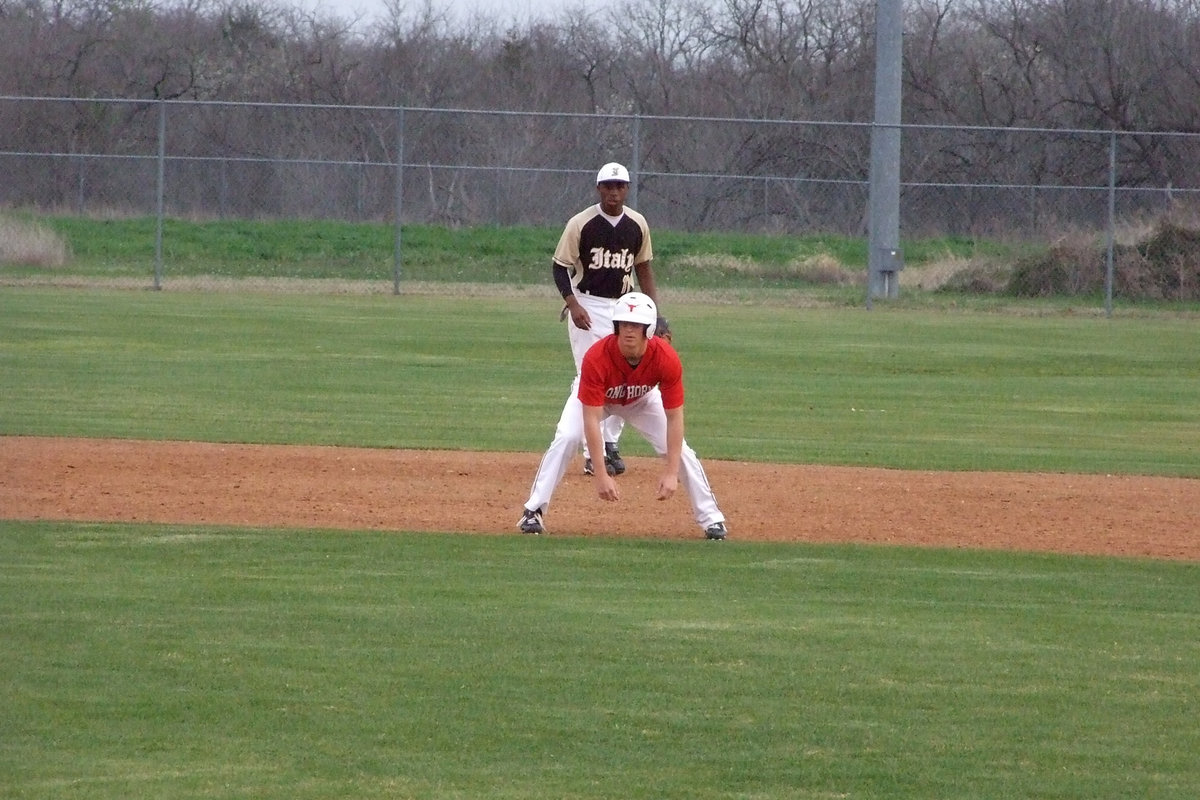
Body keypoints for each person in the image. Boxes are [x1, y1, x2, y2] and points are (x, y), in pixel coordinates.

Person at [518, 292, 728, 541]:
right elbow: (591, 420)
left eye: (636, 325)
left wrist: (671, 472)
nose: (629, 331)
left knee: (680, 451)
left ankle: (711, 518)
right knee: (567, 436)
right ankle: (533, 510)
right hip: (598, 399)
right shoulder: (597, 357)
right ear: (616, 327)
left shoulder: (666, 358)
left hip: (641, 400)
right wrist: (601, 473)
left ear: (648, 330)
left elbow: (674, 418)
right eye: (624, 324)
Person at [552, 162, 661, 477]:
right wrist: (572, 304)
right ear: (598, 188)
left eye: (620, 186)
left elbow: (643, 268)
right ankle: (593, 454)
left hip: (625, 307)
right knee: (594, 377)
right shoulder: (581, 223)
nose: (614, 192)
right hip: (587, 303)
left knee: (624, 376)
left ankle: (609, 443)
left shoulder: (637, 224)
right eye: (608, 186)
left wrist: (655, 312)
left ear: (627, 189)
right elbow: (560, 267)